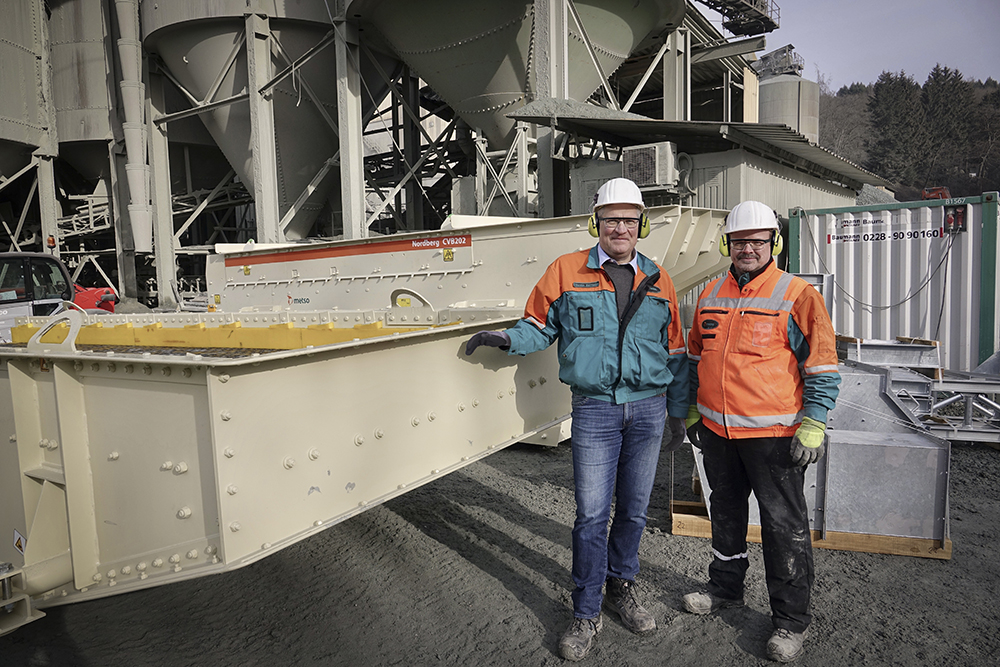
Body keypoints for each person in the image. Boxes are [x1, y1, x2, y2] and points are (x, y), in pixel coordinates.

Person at [464, 177, 688, 662]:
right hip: (594, 409)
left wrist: (676, 414)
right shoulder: (567, 271)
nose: (620, 228)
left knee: (632, 510)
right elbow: (539, 324)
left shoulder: (660, 278)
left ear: (641, 225)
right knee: (590, 515)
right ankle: (586, 610)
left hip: (648, 409)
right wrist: (506, 339)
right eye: (612, 220)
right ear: (596, 224)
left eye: (629, 220)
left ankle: (621, 587)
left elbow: (674, 351)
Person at [683, 200, 841, 663]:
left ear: (774, 243)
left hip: (774, 437)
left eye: (757, 241)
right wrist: (693, 412)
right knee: (726, 514)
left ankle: (790, 622)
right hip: (716, 432)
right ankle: (724, 589)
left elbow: (824, 365)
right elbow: (695, 360)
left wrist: (813, 422)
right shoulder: (710, 295)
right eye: (739, 242)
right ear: (726, 245)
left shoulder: (797, 295)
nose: (747, 249)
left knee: (783, 527)